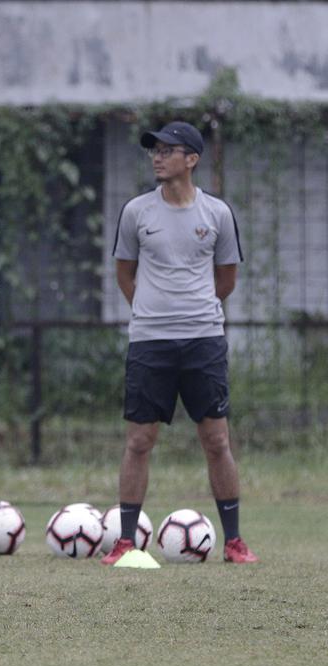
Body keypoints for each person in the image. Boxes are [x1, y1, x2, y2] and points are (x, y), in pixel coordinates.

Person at [101, 121, 258, 566]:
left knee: (216, 439)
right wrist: (152, 310)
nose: (157, 156)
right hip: (149, 341)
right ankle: (126, 543)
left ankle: (234, 543)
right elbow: (124, 273)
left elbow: (226, 279)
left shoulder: (218, 215)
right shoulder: (136, 212)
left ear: (192, 159)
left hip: (204, 339)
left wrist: (193, 309)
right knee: (139, 440)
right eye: (154, 150)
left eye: (168, 150)